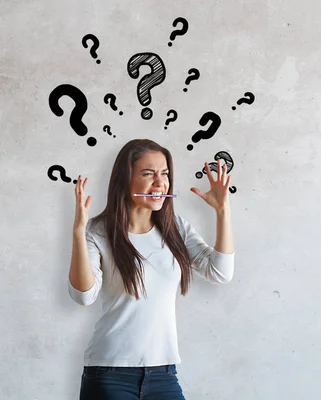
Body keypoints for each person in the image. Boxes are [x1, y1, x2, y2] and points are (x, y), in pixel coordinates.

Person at [68, 139, 234, 399]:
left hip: (163, 374)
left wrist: (223, 211)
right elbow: (83, 296)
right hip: (110, 374)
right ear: (125, 179)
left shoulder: (175, 228)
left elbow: (220, 272)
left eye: (164, 174)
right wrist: (79, 233)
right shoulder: (98, 231)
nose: (160, 182)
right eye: (148, 174)